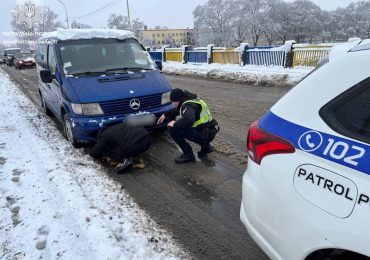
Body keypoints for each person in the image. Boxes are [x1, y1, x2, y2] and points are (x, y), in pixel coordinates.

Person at [157, 88, 219, 164]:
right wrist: (165, 114)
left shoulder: (187, 105)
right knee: (189, 125)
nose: (172, 103)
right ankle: (206, 147)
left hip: (204, 135)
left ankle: (188, 155)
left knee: (172, 128)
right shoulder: (191, 100)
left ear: (177, 100)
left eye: (173, 101)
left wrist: (174, 123)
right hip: (209, 131)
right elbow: (179, 110)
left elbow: (189, 119)